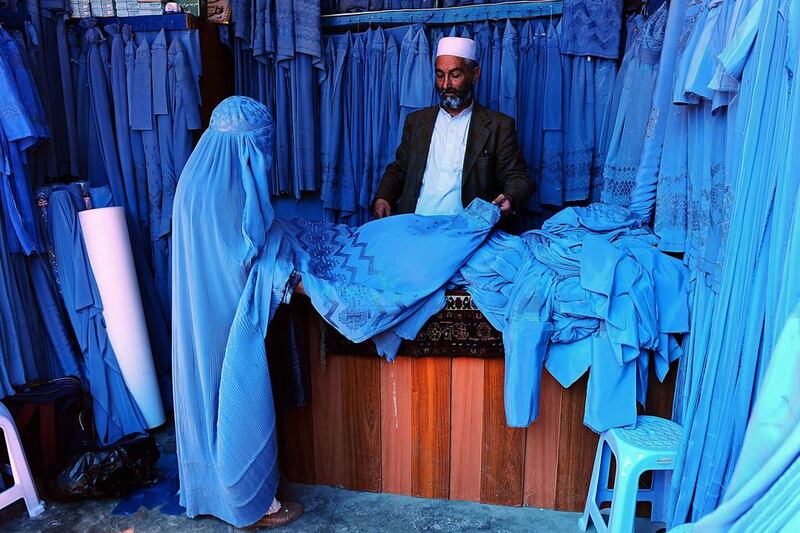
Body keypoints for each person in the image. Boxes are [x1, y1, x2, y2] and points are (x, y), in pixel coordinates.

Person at [373, 36, 532, 226]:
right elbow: (399, 169)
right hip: (415, 225)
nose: (446, 84)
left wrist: (510, 197)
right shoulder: (416, 122)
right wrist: (383, 196)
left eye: (455, 75)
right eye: (440, 75)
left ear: (475, 74)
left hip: (468, 230)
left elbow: (517, 176)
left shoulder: (499, 126)